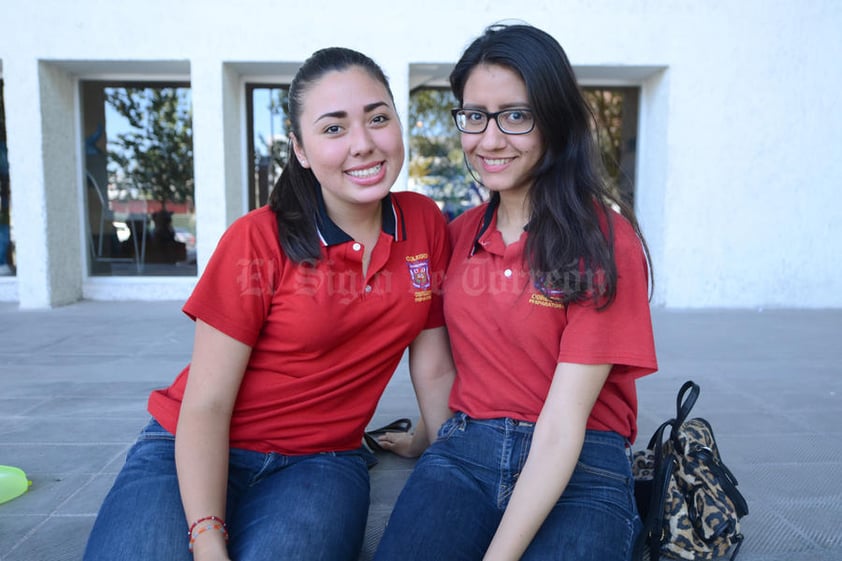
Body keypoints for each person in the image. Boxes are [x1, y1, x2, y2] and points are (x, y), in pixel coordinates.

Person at [83, 46, 454, 561]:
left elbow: (433, 367)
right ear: (300, 149)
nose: (363, 144)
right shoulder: (258, 238)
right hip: (189, 446)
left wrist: (438, 450)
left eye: (378, 118)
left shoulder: (424, 223)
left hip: (320, 461)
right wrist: (207, 535)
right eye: (334, 128)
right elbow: (207, 405)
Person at [374, 23, 658, 561]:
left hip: (580, 459)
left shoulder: (604, 241)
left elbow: (562, 425)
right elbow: (437, 363)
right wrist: (432, 440)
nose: (490, 139)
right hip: (466, 453)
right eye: (474, 116)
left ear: (554, 120)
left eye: (516, 116)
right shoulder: (455, 238)